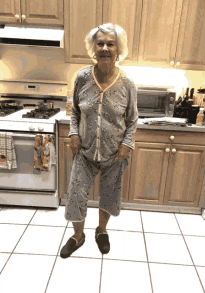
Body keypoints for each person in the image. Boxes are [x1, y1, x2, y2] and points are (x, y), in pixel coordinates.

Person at [60, 23, 138, 259]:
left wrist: (126, 145)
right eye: (100, 43)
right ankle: (77, 236)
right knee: (76, 194)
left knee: (109, 194)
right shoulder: (82, 78)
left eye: (110, 43)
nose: (105, 48)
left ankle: (101, 231)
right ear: (93, 47)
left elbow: (133, 120)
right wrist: (74, 132)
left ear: (118, 49)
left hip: (115, 154)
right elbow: (75, 112)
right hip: (84, 152)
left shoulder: (127, 84)